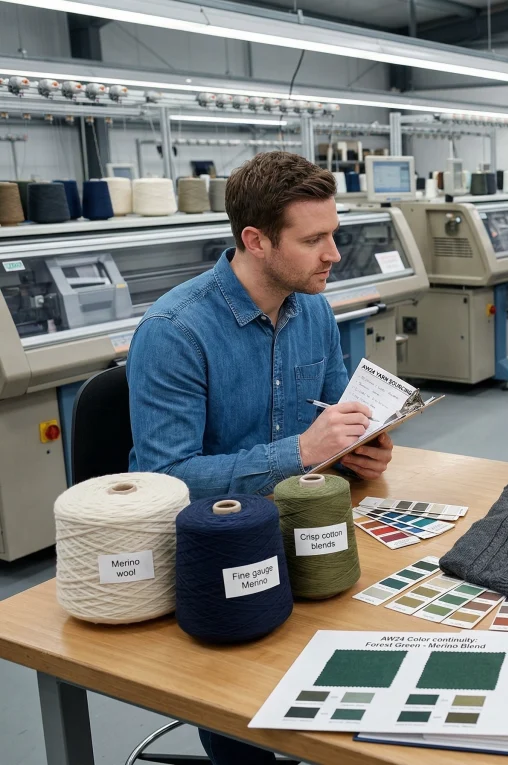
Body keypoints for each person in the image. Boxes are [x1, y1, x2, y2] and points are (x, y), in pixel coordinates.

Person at [127, 152, 394, 764]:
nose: (334, 254)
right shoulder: (176, 331)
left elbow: (334, 412)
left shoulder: (316, 310)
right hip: (221, 552)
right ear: (256, 240)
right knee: (248, 723)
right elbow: (161, 481)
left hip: (308, 531)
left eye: (335, 235)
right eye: (315, 239)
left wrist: (360, 448)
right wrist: (300, 451)